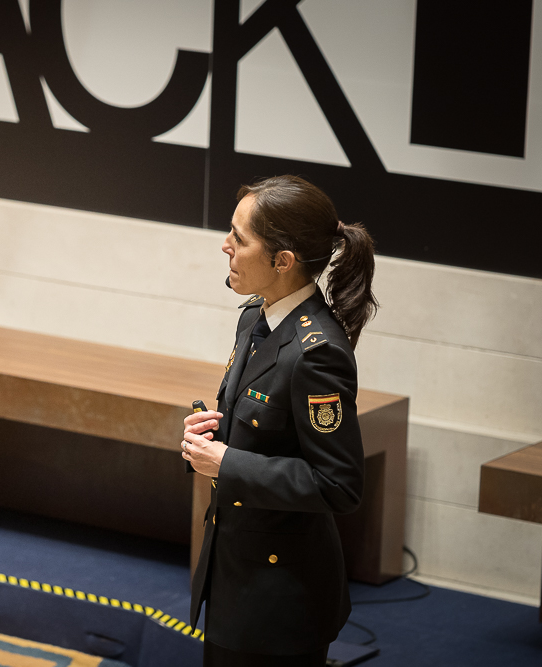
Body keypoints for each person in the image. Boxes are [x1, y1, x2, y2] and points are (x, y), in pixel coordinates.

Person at [182, 175, 377, 666]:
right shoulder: (256, 317)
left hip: (280, 597)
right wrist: (208, 439)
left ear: (282, 261)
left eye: (239, 237)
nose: (225, 245)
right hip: (235, 574)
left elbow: (339, 485)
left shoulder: (317, 352)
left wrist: (226, 463)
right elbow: (259, 430)